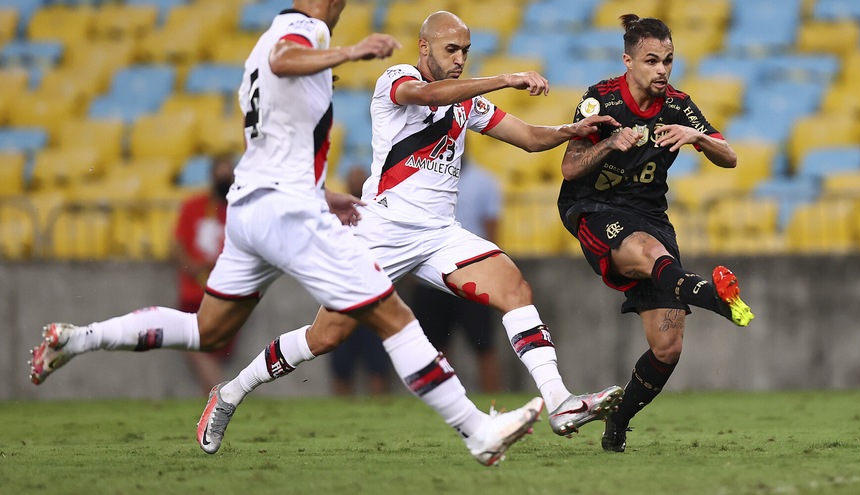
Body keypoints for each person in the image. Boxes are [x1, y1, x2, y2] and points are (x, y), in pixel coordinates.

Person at [29, 0, 542, 467]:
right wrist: (349, 51)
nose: (342, 7)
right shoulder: (303, 31)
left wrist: (325, 196)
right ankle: (479, 431)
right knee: (394, 317)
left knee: (208, 329)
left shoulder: (261, 44)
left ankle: (79, 338)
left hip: (252, 203)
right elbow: (285, 58)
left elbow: (276, 123)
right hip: (286, 212)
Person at [214, 10, 626, 442]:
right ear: (424, 46)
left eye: (466, 51)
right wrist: (506, 78)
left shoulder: (467, 101)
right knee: (326, 336)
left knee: (515, 289)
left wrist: (572, 130)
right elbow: (429, 96)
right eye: (452, 50)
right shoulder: (396, 78)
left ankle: (559, 403)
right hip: (381, 230)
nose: (460, 58)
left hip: (437, 234)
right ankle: (230, 392)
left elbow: (529, 138)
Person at [556, 14, 755, 453]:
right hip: (593, 209)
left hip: (650, 214)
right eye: (652, 61)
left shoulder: (678, 105)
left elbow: (731, 157)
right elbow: (569, 167)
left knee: (668, 347)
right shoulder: (599, 101)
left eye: (668, 60)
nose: (662, 69)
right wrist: (609, 142)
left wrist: (696, 137)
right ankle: (713, 297)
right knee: (647, 252)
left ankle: (617, 423)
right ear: (628, 61)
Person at [410, 159, 503, 393]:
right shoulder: (421, 179)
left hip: (471, 276)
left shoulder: (484, 181)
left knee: (484, 345)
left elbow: (491, 230)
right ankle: (448, 399)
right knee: (435, 347)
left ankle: (493, 397)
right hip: (431, 278)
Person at [173, 154, 236, 395]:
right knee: (195, 345)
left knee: (209, 349)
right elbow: (176, 244)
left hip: (223, 292)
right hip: (193, 290)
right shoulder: (193, 206)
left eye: (227, 174)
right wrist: (191, 265)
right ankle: (218, 396)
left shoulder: (237, 210)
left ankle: (217, 396)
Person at [328, 165, 392, 396]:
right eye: (352, 179)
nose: (356, 184)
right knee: (341, 362)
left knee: (377, 362)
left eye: (359, 179)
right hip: (344, 294)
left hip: (373, 296)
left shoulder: (379, 213)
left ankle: (380, 411)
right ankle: (343, 411)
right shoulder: (332, 215)